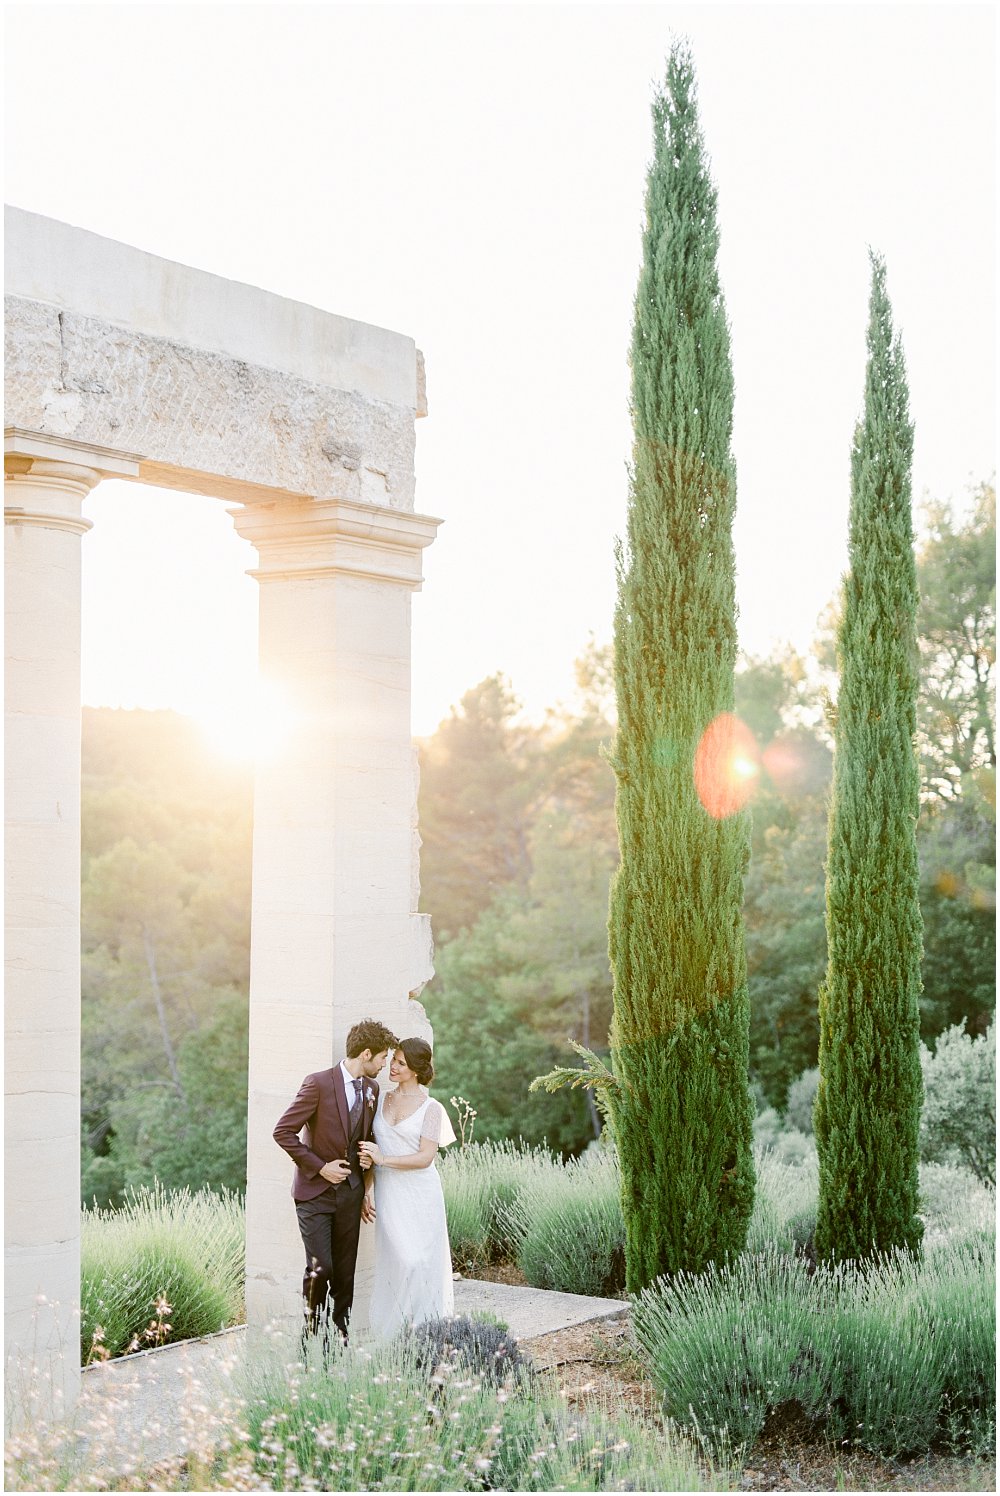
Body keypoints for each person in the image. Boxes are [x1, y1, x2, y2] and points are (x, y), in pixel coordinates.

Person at [273, 1017, 398, 1343]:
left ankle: (338, 1343)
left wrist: (366, 1185)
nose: (385, 1065)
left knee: (345, 1276)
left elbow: (365, 1139)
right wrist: (320, 1167)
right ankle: (310, 1339)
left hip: (350, 1196)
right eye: (383, 1058)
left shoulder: (371, 1089)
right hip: (314, 1194)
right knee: (321, 1270)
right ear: (367, 1053)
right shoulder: (318, 1083)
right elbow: (282, 1132)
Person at [358, 1036, 456, 1338]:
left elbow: (426, 1158)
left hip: (421, 1195)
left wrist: (383, 1159)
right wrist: (367, 1189)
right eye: (394, 1060)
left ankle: (425, 1334)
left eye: (400, 1062)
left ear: (415, 1069)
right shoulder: (380, 1098)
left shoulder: (432, 1109)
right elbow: (371, 1149)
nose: (393, 1066)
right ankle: (391, 1336)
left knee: (419, 1263)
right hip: (389, 1194)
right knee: (396, 1262)